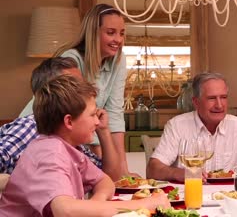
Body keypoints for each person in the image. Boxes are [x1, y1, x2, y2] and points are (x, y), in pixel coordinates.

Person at [0, 75, 170, 216]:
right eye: (92, 115)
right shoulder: (50, 153)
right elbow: (65, 210)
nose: (98, 122)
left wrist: (96, 203)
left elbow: (105, 181)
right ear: (69, 121)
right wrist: (148, 204)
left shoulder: (70, 148)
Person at [19, 3, 130, 176]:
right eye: (110, 32)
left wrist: (123, 170)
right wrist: (102, 166)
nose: (118, 39)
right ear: (93, 33)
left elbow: (114, 113)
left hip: (72, 130)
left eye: (122, 33)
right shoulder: (71, 60)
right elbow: (71, 110)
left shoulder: (118, 60)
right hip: (41, 129)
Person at [0, 57, 121, 180]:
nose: (83, 89)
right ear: (54, 90)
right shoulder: (30, 127)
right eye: (73, 85)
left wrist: (103, 130)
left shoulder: (69, 137)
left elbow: (110, 178)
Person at [147, 72, 237, 182]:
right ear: (196, 102)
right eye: (211, 98)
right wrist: (178, 173)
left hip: (228, 197)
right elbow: (152, 170)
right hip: (188, 196)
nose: (219, 105)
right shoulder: (177, 125)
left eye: (223, 97)